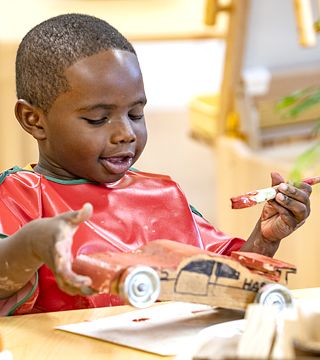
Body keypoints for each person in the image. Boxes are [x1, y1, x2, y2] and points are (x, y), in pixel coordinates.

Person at [0, 14, 311, 316]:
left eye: (136, 114)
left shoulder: (163, 194)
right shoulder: (19, 196)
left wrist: (265, 237)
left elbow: (226, 283)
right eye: (98, 119)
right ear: (34, 120)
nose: (125, 134)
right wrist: (31, 244)